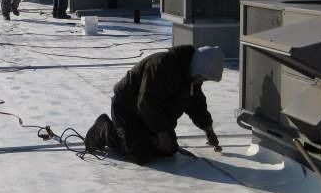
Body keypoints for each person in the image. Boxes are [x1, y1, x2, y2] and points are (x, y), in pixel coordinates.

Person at [84, 45, 224, 164]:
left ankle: (139, 137)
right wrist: (161, 132)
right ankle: (104, 129)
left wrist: (208, 128)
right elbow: (146, 103)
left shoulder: (191, 77)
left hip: (151, 114)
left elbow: (196, 103)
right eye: (204, 77)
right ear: (198, 68)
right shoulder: (162, 65)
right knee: (140, 155)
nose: (203, 81)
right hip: (127, 108)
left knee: (169, 149)